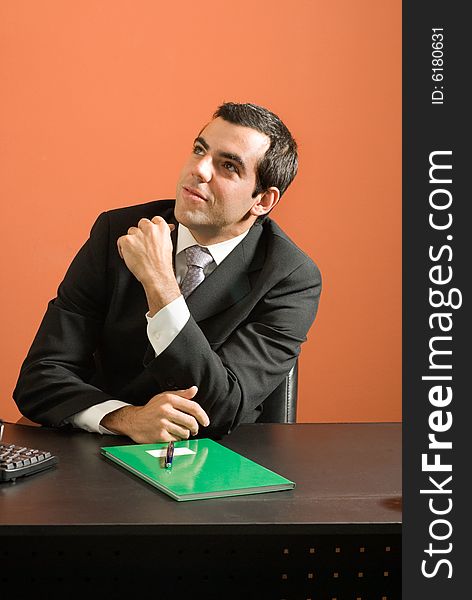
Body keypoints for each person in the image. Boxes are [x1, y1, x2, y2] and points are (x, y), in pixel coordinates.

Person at [13, 102, 322, 442]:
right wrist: (125, 418)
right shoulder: (116, 231)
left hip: (218, 465)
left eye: (229, 166)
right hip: (100, 449)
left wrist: (161, 285)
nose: (200, 170)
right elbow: (39, 377)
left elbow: (221, 408)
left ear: (262, 201)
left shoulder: (290, 277)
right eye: (199, 150)